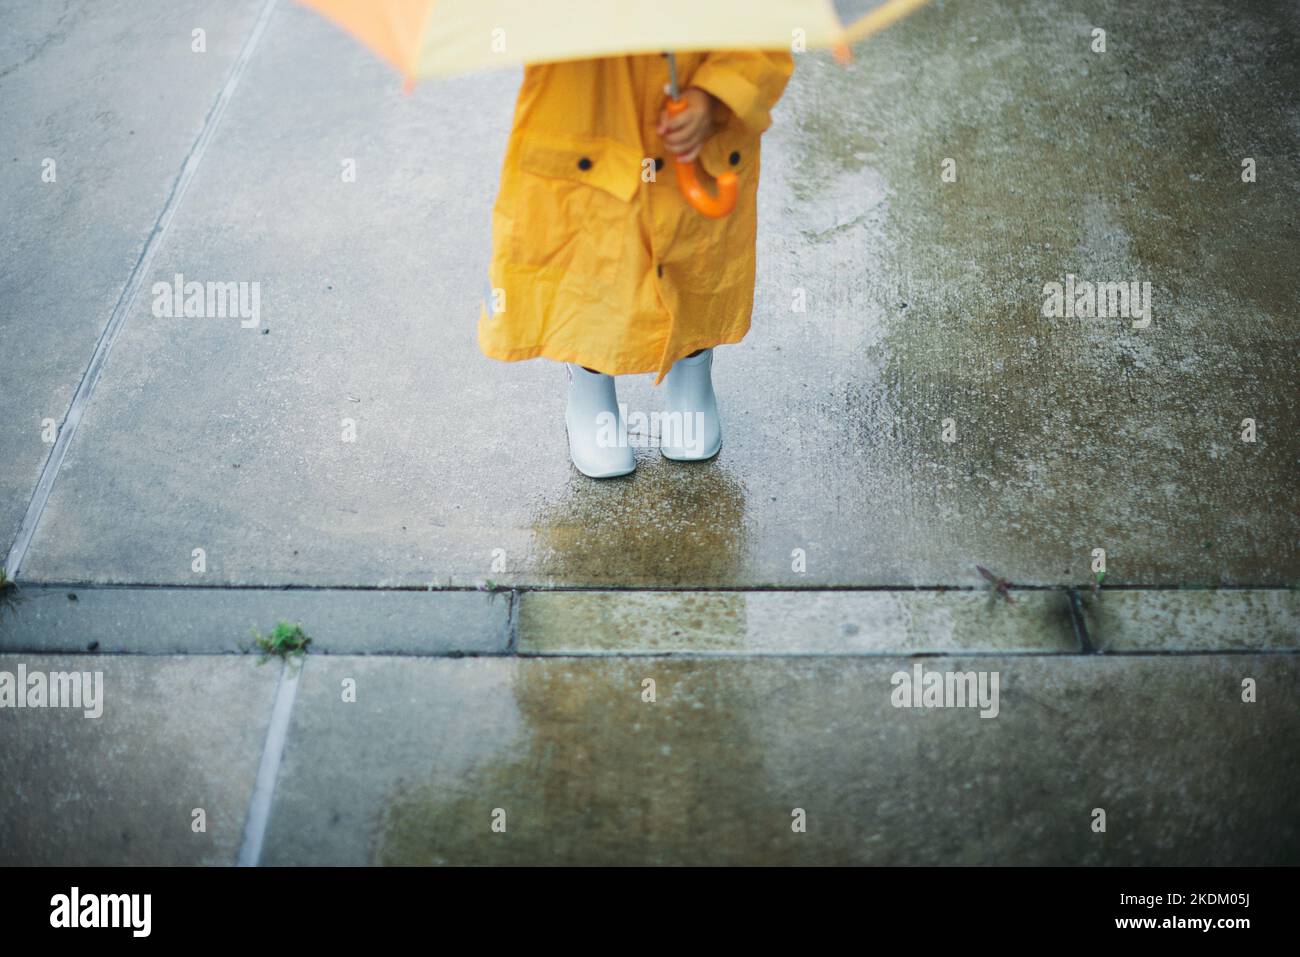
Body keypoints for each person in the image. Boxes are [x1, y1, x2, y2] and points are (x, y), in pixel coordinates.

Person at [480, 51, 794, 477]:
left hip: (698, 116)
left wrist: (718, 93)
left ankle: (692, 368)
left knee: (698, 253)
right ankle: (590, 380)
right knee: (594, 261)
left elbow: (764, 19)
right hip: (591, 108)